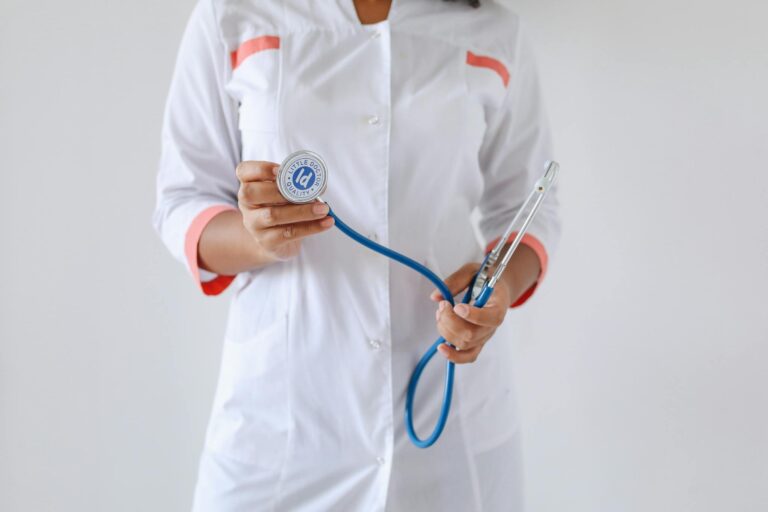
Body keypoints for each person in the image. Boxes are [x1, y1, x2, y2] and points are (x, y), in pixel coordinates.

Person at [153, 0, 561, 509]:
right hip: (281, 431)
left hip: (449, 417)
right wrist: (256, 238)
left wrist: (495, 287)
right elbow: (182, 201)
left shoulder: (494, 32)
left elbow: (530, 208)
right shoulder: (233, 14)